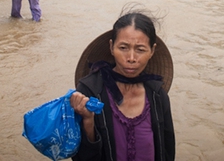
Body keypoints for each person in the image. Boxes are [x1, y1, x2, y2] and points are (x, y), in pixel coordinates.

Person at [71, 10, 175, 160]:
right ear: (111, 47)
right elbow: (81, 157)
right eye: (123, 48)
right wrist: (88, 120)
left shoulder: (157, 94)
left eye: (140, 50)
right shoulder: (90, 91)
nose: (131, 58)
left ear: (152, 51)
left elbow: (167, 150)